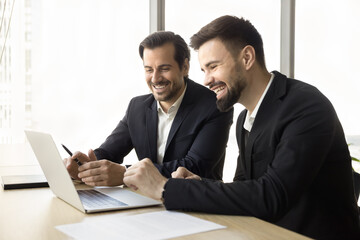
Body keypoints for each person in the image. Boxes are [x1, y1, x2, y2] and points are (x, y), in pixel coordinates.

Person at [123, 16, 360, 240]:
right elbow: (244, 191)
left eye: (213, 66)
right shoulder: (245, 118)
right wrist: (197, 184)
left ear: (247, 58)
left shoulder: (306, 106)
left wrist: (167, 188)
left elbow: (272, 196)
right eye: (204, 70)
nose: (206, 80)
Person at [64, 31, 233, 186]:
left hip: (198, 204)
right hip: (148, 202)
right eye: (149, 69)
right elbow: (109, 152)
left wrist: (125, 173)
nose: (155, 78)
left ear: (185, 67)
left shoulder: (215, 104)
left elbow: (195, 166)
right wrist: (85, 167)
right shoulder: (137, 107)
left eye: (164, 69)